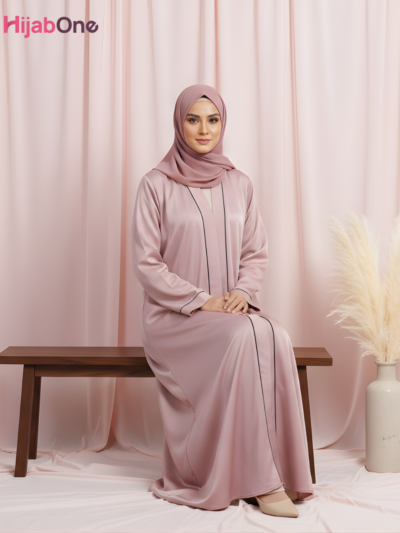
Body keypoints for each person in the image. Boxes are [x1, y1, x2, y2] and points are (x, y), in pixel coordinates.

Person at [131, 84, 314, 517]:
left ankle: (280, 472)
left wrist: (242, 292)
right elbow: (147, 263)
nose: (204, 129)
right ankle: (262, 482)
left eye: (212, 120)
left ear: (223, 124)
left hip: (232, 312)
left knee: (275, 334)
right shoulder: (155, 184)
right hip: (173, 318)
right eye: (193, 119)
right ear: (179, 124)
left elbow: (255, 252)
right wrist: (200, 300)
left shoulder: (239, 184)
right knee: (245, 336)